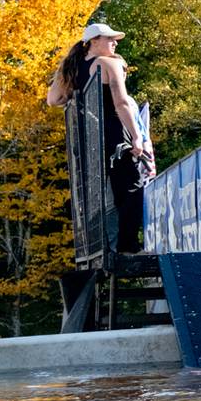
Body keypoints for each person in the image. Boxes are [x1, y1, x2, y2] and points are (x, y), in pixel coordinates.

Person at [47, 23, 152, 254]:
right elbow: (121, 102)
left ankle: (103, 246)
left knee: (97, 195)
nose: (115, 42)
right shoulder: (108, 63)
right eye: (110, 39)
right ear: (94, 40)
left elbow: (53, 100)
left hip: (89, 141)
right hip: (115, 136)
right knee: (131, 189)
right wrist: (136, 136)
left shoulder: (75, 69)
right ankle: (128, 247)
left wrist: (64, 73)